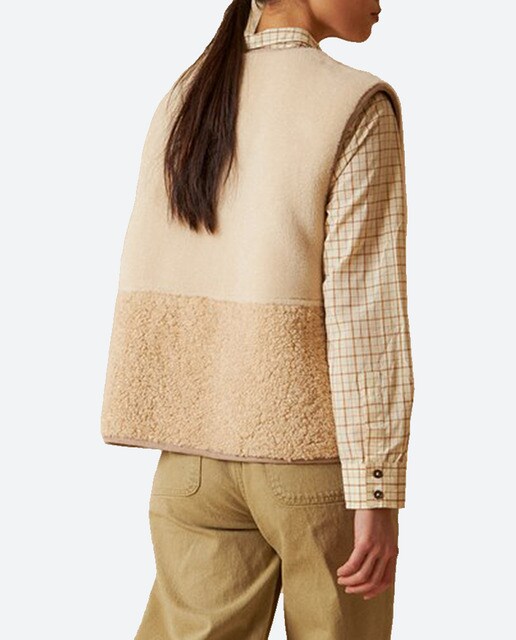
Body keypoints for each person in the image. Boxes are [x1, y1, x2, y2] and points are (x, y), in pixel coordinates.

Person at [100, 0, 415, 637]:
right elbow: (364, 309)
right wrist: (376, 489)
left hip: (193, 459)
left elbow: (153, 266)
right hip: (311, 459)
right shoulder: (353, 104)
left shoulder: (186, 95)